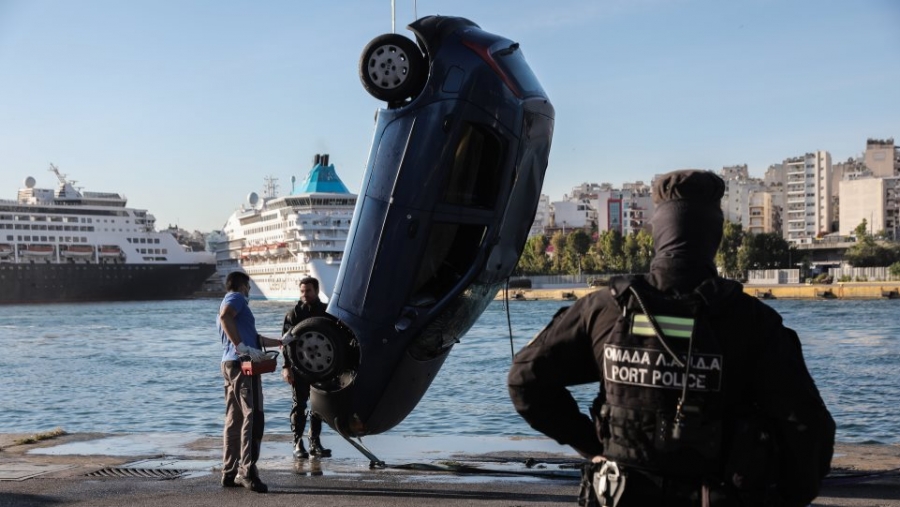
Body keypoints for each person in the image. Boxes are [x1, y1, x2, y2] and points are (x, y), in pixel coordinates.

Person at [508, 170, 835, 507]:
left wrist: (593, 447)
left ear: (658, 232)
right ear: (715, 236)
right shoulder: (753, 322)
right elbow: (809, 429)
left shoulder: (603, 310)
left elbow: (525, 380)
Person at [217, 271, 283, 493]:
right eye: (248, 287)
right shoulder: (235, 298)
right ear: (242, 285)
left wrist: (281, 342)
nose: (249, 291)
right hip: (243, 365)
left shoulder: (236, 309)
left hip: (229, 365)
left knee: (234, 418)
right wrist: (241, 348)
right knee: (253, 416)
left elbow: (255, 339)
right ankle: (247, 471)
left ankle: (229, 471)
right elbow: (225, 316)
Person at [282, 276, 332, 459]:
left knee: (318, 406)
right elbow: (285, 343)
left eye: (308, 291)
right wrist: (286, 367)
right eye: (302, 291)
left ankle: (314, 441)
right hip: (299, 367)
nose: (305, 295)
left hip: (322, 368)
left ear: (316, 291)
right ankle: (297, 442)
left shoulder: (327, 311)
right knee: (299, 405)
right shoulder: (293, 314)